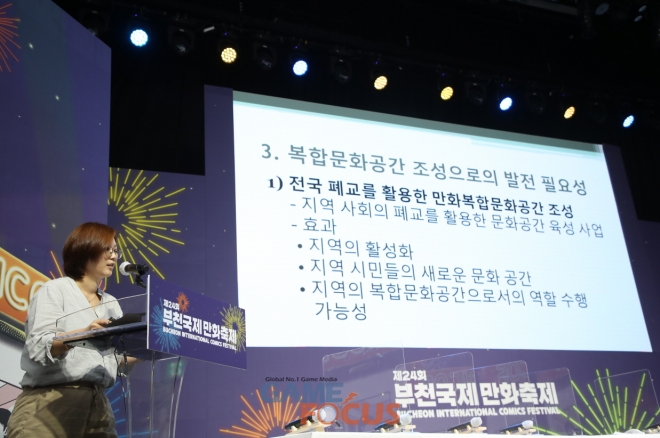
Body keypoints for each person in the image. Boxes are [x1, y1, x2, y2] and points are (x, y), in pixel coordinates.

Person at [6, 222, 125, 438]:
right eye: (107, 249)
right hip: (50, 401)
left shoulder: (112, 303)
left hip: (99, 406)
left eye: (115, 250)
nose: (114, 256)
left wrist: (145, 350)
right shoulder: (55, 289)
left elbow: (114, 360)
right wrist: (84, 334)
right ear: (85, 248)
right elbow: (39, 345)